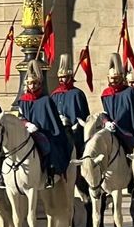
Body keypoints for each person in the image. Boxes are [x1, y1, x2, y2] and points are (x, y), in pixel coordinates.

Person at [15, 60, 72, 188]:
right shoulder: (22, 101)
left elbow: (53, 122)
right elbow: (20, 117)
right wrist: (27, 124)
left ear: (39, 83)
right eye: (29, 83)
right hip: (27, 132)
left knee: (48, 146)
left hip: (45, 132)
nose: (32, 86)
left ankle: (50, 173)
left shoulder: (46, 100)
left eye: (34, 83)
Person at [100, 54, 134, 153]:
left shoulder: (129, 91)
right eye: (112, 78)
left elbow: (128, 111)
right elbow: (105, 111)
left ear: (121, 77)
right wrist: (106, 121)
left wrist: (116, 123)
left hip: (126, 130)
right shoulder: (106, 94)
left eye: (116, 78)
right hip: (109, 129)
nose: (113, 81)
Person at [51, 54, 90, 158]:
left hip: (74, 129)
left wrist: (76, 124)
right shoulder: (54, 94)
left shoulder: (77, 94)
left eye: (63, 77)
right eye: (60, 77)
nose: (61, 80)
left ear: (69, 77)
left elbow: (84, 114)